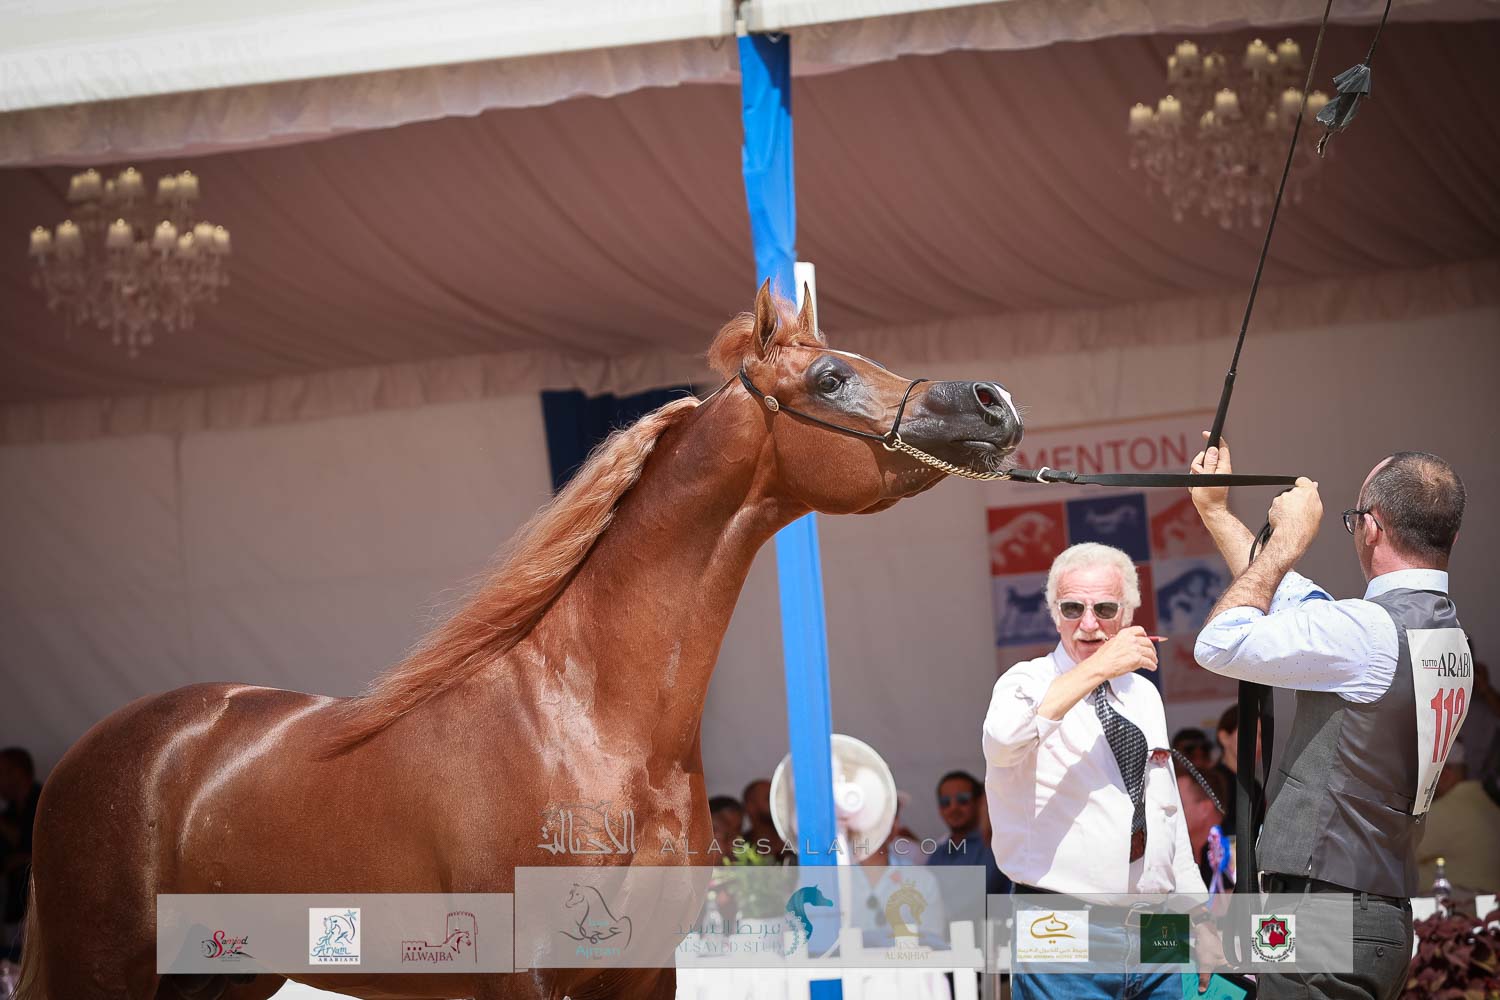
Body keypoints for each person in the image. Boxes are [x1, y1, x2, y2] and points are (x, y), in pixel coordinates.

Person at [1190, 442, 1470, 1000]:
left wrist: (1287, 543)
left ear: (1371, 527)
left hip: (1326, 911)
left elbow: (1219, 643)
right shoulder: (1447, 636)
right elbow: (1295, 602)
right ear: (1452, 537)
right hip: (1373, 912)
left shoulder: (1366, 632)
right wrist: (1216, 512)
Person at [982, 542, 1219, 998]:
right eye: (1072, 608)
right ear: (1054, 613)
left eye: (1105, 609)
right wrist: (1100, 667)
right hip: (1062, 926)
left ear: (1127, 614)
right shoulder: (1024, 682)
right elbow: (1004, 741)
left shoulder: (1142, 694)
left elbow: (1164, 812)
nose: (1088, 623)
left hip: (1157, 927)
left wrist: (1199, 914)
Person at [1414, 744, 1500, 893]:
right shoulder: (1490, 806)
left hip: (1459, 903)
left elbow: (1395, 857)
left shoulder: (1445, 810)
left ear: (1445, 775)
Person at [924, 771, 1011, 895]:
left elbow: (978, 895)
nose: (953, 807)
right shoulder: (938, 854)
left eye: (962, 799)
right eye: (945, 802)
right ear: (939, 809)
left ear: (979, 802)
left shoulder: (993, 844)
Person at [0, 748, 41, 963]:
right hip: (15, 908)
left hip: (42, 908)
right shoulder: (7, 815)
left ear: (17, 772)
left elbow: (46, 851)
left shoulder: (46, 802)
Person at [1210, 702, 1263, 839]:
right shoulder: (1211, 782)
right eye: (1250, 733)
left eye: (1261, 736)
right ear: (1224, 737)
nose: (1258, 742)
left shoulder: (1255, 786)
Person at [741, 779, 794, 864]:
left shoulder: (797, 841)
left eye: (778, 797)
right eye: (769, 798)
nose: (778, 803)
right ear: (751, 807)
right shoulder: (738, 848)